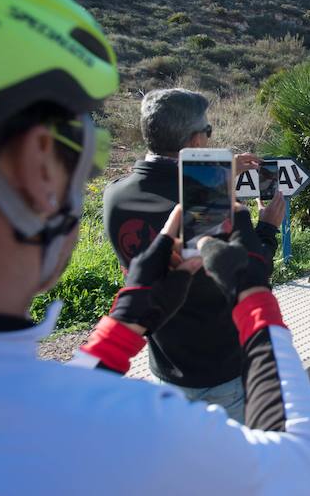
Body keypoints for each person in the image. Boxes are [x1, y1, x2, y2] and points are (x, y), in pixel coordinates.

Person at [0, 0, 310, 493]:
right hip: (225, 366)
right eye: (81, 149)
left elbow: (44, 415)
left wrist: (124, 326)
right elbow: (300, 468)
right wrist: (261, 247)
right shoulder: (128, 428)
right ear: (37, 167)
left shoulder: (117, 197)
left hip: (163, 360)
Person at [102, 88, 285, 423]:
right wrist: (268, 227)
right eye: (208, 131)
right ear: (197, 140)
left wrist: (222, 174)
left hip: (165, 367)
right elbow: (251, 275)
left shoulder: (114, 195)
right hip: (222, 368)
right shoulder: (211, 203)